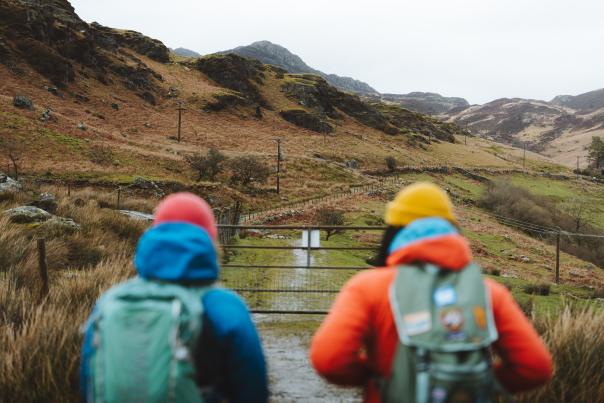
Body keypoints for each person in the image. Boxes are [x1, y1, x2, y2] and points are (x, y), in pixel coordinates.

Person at [310, 182, 553, 403]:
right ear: (452, 230)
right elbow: (536, 367)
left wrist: (380, 376)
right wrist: (477, 383)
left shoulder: (368, 287)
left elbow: (329, 359)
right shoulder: (489, 292)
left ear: (393, 230)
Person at [80, 192, 268, 403]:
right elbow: (253, 391)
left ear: (154, 234)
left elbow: (90, 383)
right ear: (210, 240)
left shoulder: (109, 302)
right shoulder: (226, 308)